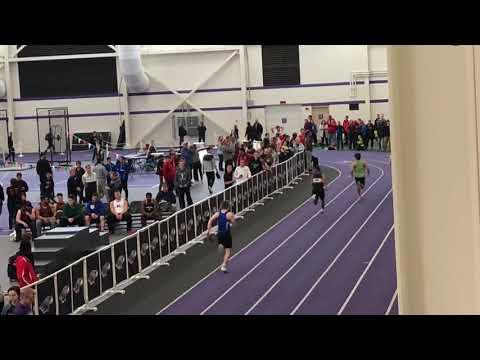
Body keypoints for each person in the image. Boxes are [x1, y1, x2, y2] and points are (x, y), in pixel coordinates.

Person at [207, 201, 235, 273]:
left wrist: (209, 231)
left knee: (223, 244)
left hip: (219, 234)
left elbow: (210, 221)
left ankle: (221, 245)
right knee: (228, 251)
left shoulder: (217, 213)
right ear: (228, 207)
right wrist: (230, 221)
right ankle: (223, 266)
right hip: (226, 234)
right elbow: (233, 222)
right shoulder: (230, 214)